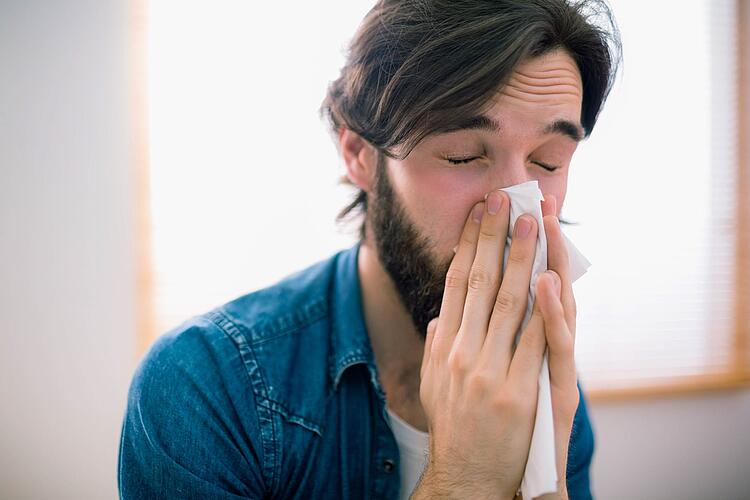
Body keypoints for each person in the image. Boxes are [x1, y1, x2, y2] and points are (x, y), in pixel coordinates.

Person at [118, 0, 621, 498]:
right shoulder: (204, 389)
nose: (517, 211)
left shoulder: (541, 379)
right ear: (360, 154)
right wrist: (466, 480)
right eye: (463, 155)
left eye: (549, 162)